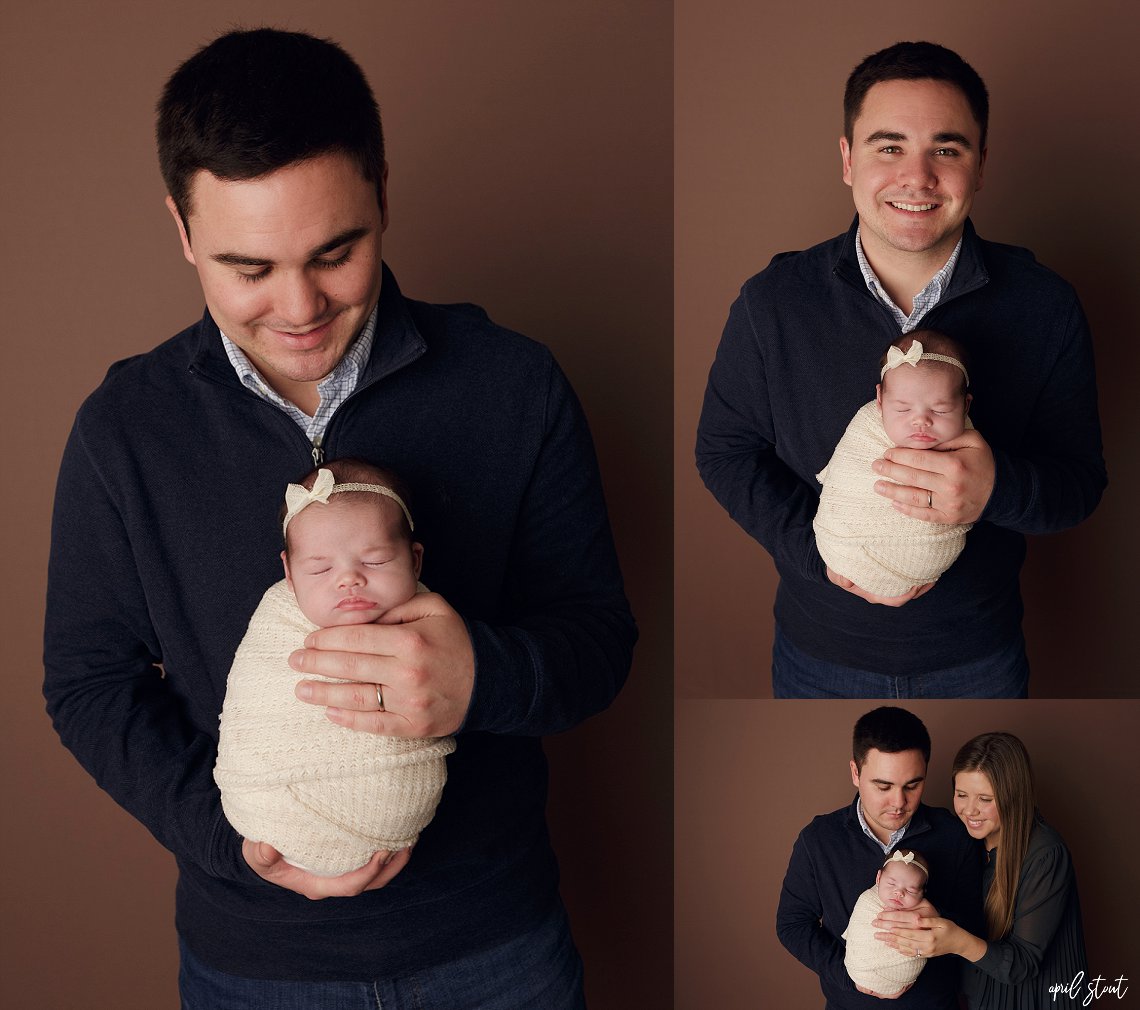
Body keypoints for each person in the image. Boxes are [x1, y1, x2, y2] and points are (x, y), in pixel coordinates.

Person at [43, 27, 635, 1007]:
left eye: (336, 251)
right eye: (248, 267)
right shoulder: (125, 430)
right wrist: (239, 838)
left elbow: (599, 640)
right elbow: (88, 684)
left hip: (495, 948)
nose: (300, 306)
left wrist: (480, 674)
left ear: (383, 192)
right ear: (183, 231)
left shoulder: (514, 383)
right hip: (254, 964)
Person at [695, 40, 1105, 698]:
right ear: (848, 159)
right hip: (817, 654)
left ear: (980, 165)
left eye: (947, 148)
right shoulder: (774, 301)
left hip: (979, 656)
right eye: (889, 146)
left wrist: (995, 487)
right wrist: (820, 553)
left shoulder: (1044, 303)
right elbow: (723, 450)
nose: (917, 177)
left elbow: (1080, 485)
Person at [214, 460, 456, 878]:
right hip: (261, 827)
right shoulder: (278, 621)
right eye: (321, 569)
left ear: (415, 561)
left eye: (376, 561)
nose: (349, 580)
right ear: (289, 573)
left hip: (466, 881)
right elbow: (248, 711)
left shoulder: (434, 625)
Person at [776, 706, 983, 1008]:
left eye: (913, 785)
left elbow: (978, 927)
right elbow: (791, 924)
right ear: (855, 773)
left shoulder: (954, 835)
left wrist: (938, 923)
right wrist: (853, 978)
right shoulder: (819, 839)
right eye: (883, 786)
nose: (899, 802)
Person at [873, 732, 1087, 1009]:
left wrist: (957, 941)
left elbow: (1023, 962)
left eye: (985, 799)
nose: (969, 810)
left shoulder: (1045, 854)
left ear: (1013, 797)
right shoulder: (965, 841)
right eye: (961, 795)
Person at [814, 330, 974, 598]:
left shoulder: (969, 447)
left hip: (965, 612)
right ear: (879, 399)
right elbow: (844, 478)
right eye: (902, 409)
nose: (920, 421)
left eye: (940, 410)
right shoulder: (866, 428)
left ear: (965, 406)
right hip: (836, 559)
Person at [841, 849, 935, 997]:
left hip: (909, 987)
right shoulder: (867, 900)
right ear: (878, 878)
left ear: (922, 893)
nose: (899, 893)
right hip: (855, 975)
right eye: (891, 884)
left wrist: (932, 921)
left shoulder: (923, 912)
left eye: (910, 891)